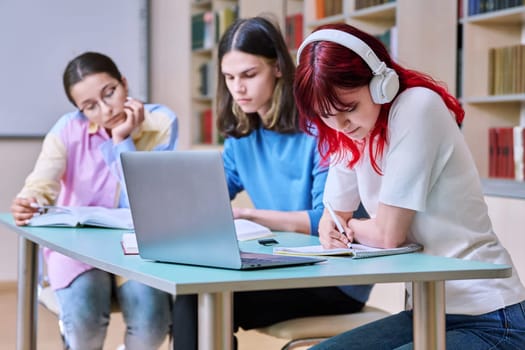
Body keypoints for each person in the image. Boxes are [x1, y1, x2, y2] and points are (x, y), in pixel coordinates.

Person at [293, 23, 525, 349]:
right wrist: (335, 224)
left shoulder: (417, 106)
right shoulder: (353, 131)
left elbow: (389, 235)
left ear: (380, 84)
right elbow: (333, 215)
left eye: (349, 109)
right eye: (326, 116)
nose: (340, 126)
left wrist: (351, 227)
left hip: (489, 316)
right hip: (425, 311)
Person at [172, 16, 372, 349]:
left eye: (249, 75)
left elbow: (327, 221)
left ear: (278, 67)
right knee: (192, 295)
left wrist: (249, 215)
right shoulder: (243, 135)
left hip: (333, 275)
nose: (238, 88)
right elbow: (211, 194)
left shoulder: (320, 127)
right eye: (229, 77)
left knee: (198, 300)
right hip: (282, 265)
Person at [10, 52, 177, 350]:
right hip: (79, 251)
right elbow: (41, 184)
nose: (105, 110)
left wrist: (122, 139)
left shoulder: (160, 122)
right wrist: (28, 200)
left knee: (152, 321)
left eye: (110, 93)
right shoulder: (67, 129)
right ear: (78, 110)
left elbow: (146, 200)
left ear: (124, 83)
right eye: (89, 106)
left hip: (138, 249)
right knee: (85, 319)